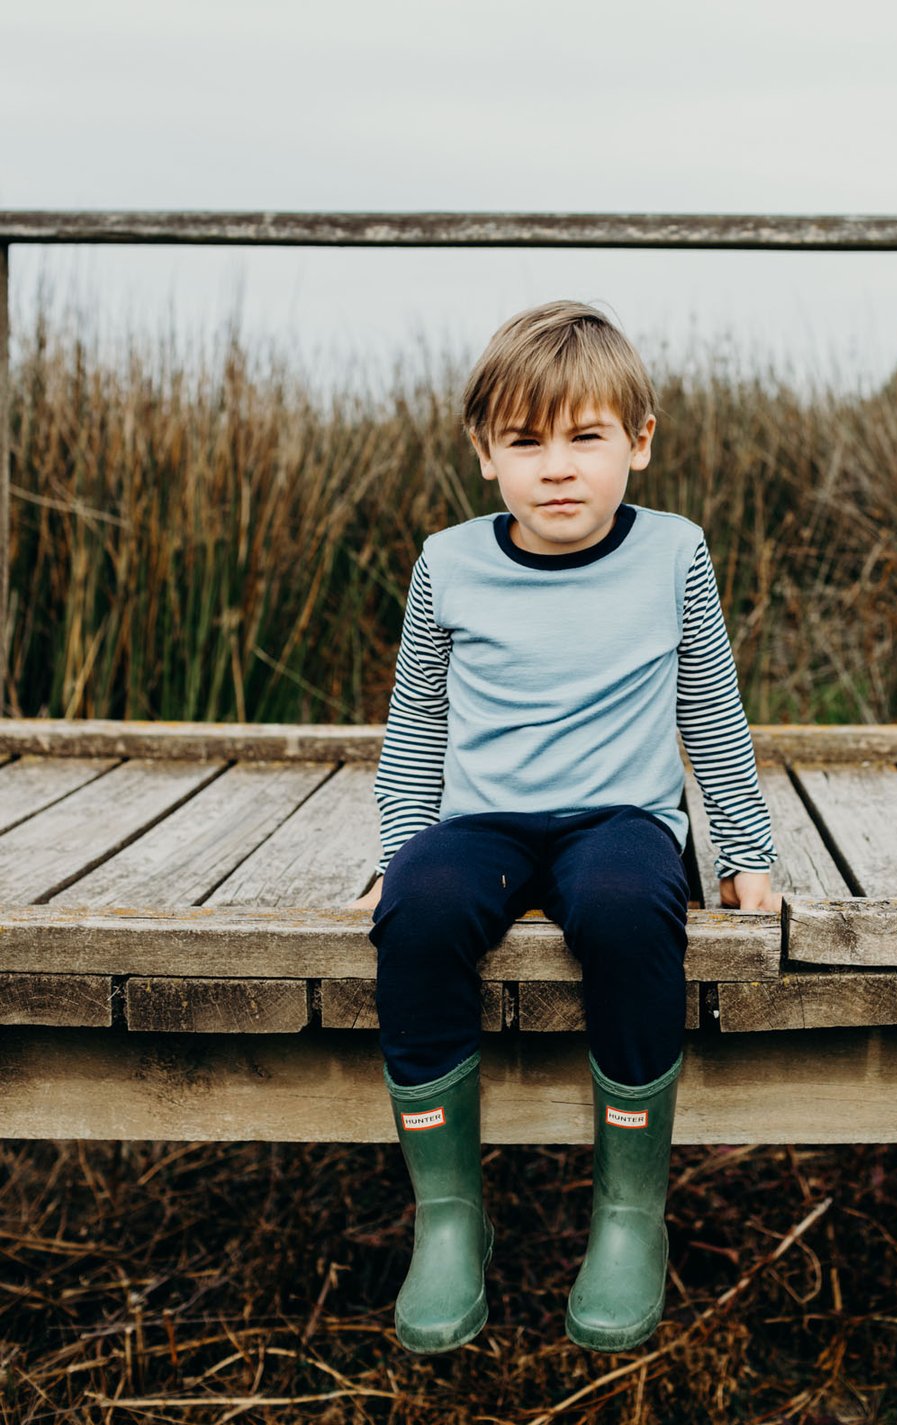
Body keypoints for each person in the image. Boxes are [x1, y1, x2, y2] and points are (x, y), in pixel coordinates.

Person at [348, 299, 779, 1355]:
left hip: (620, 820)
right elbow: (417, 727)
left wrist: (747, 851)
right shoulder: (449, 563)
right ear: (483, 452)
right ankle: (450, 1215)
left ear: (639, 440)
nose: (556, 468)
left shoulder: (673, 553)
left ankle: (628, 1213)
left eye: (586, 437)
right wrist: (399, 852)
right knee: (418, 909)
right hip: (485, 824)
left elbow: (709, 709)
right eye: (524, 441)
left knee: (630, 909)